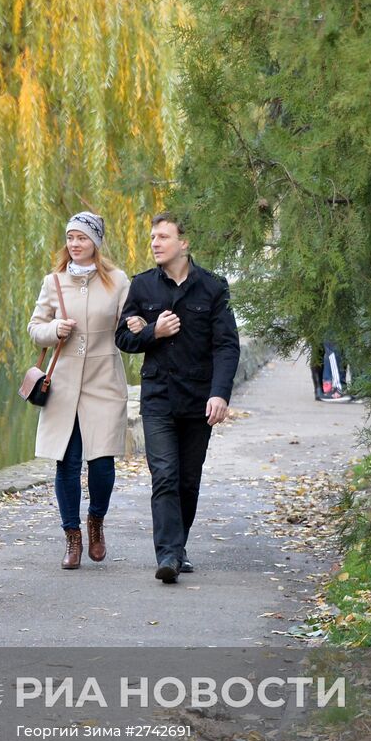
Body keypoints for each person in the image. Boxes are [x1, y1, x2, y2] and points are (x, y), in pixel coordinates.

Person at [115, 214, 239, 584]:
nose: (155, 243)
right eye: (152, 236)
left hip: (198, 399)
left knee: (187, 480)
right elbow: (123, 338)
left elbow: (226, 346)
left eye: (163, 236)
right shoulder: (142, 287)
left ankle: (178, 547)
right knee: (165, 475)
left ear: (184, 243)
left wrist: (220, 394)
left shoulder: (214, 288)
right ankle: (167, 554)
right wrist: (154, 331)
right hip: (157, 398)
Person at [27, 211, 131, 570]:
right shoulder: (53, 281)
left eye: (82, 238)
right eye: (70, 238)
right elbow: (34, 327)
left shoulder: (117, 281)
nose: (74, 244)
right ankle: (72, 537)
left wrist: (141, 325)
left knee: (102, 461)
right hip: (64, 383)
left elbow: (127, 328)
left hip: (104, 380)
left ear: (96, 242)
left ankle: (96, 521)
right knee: (67, 462)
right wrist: (53, 328)